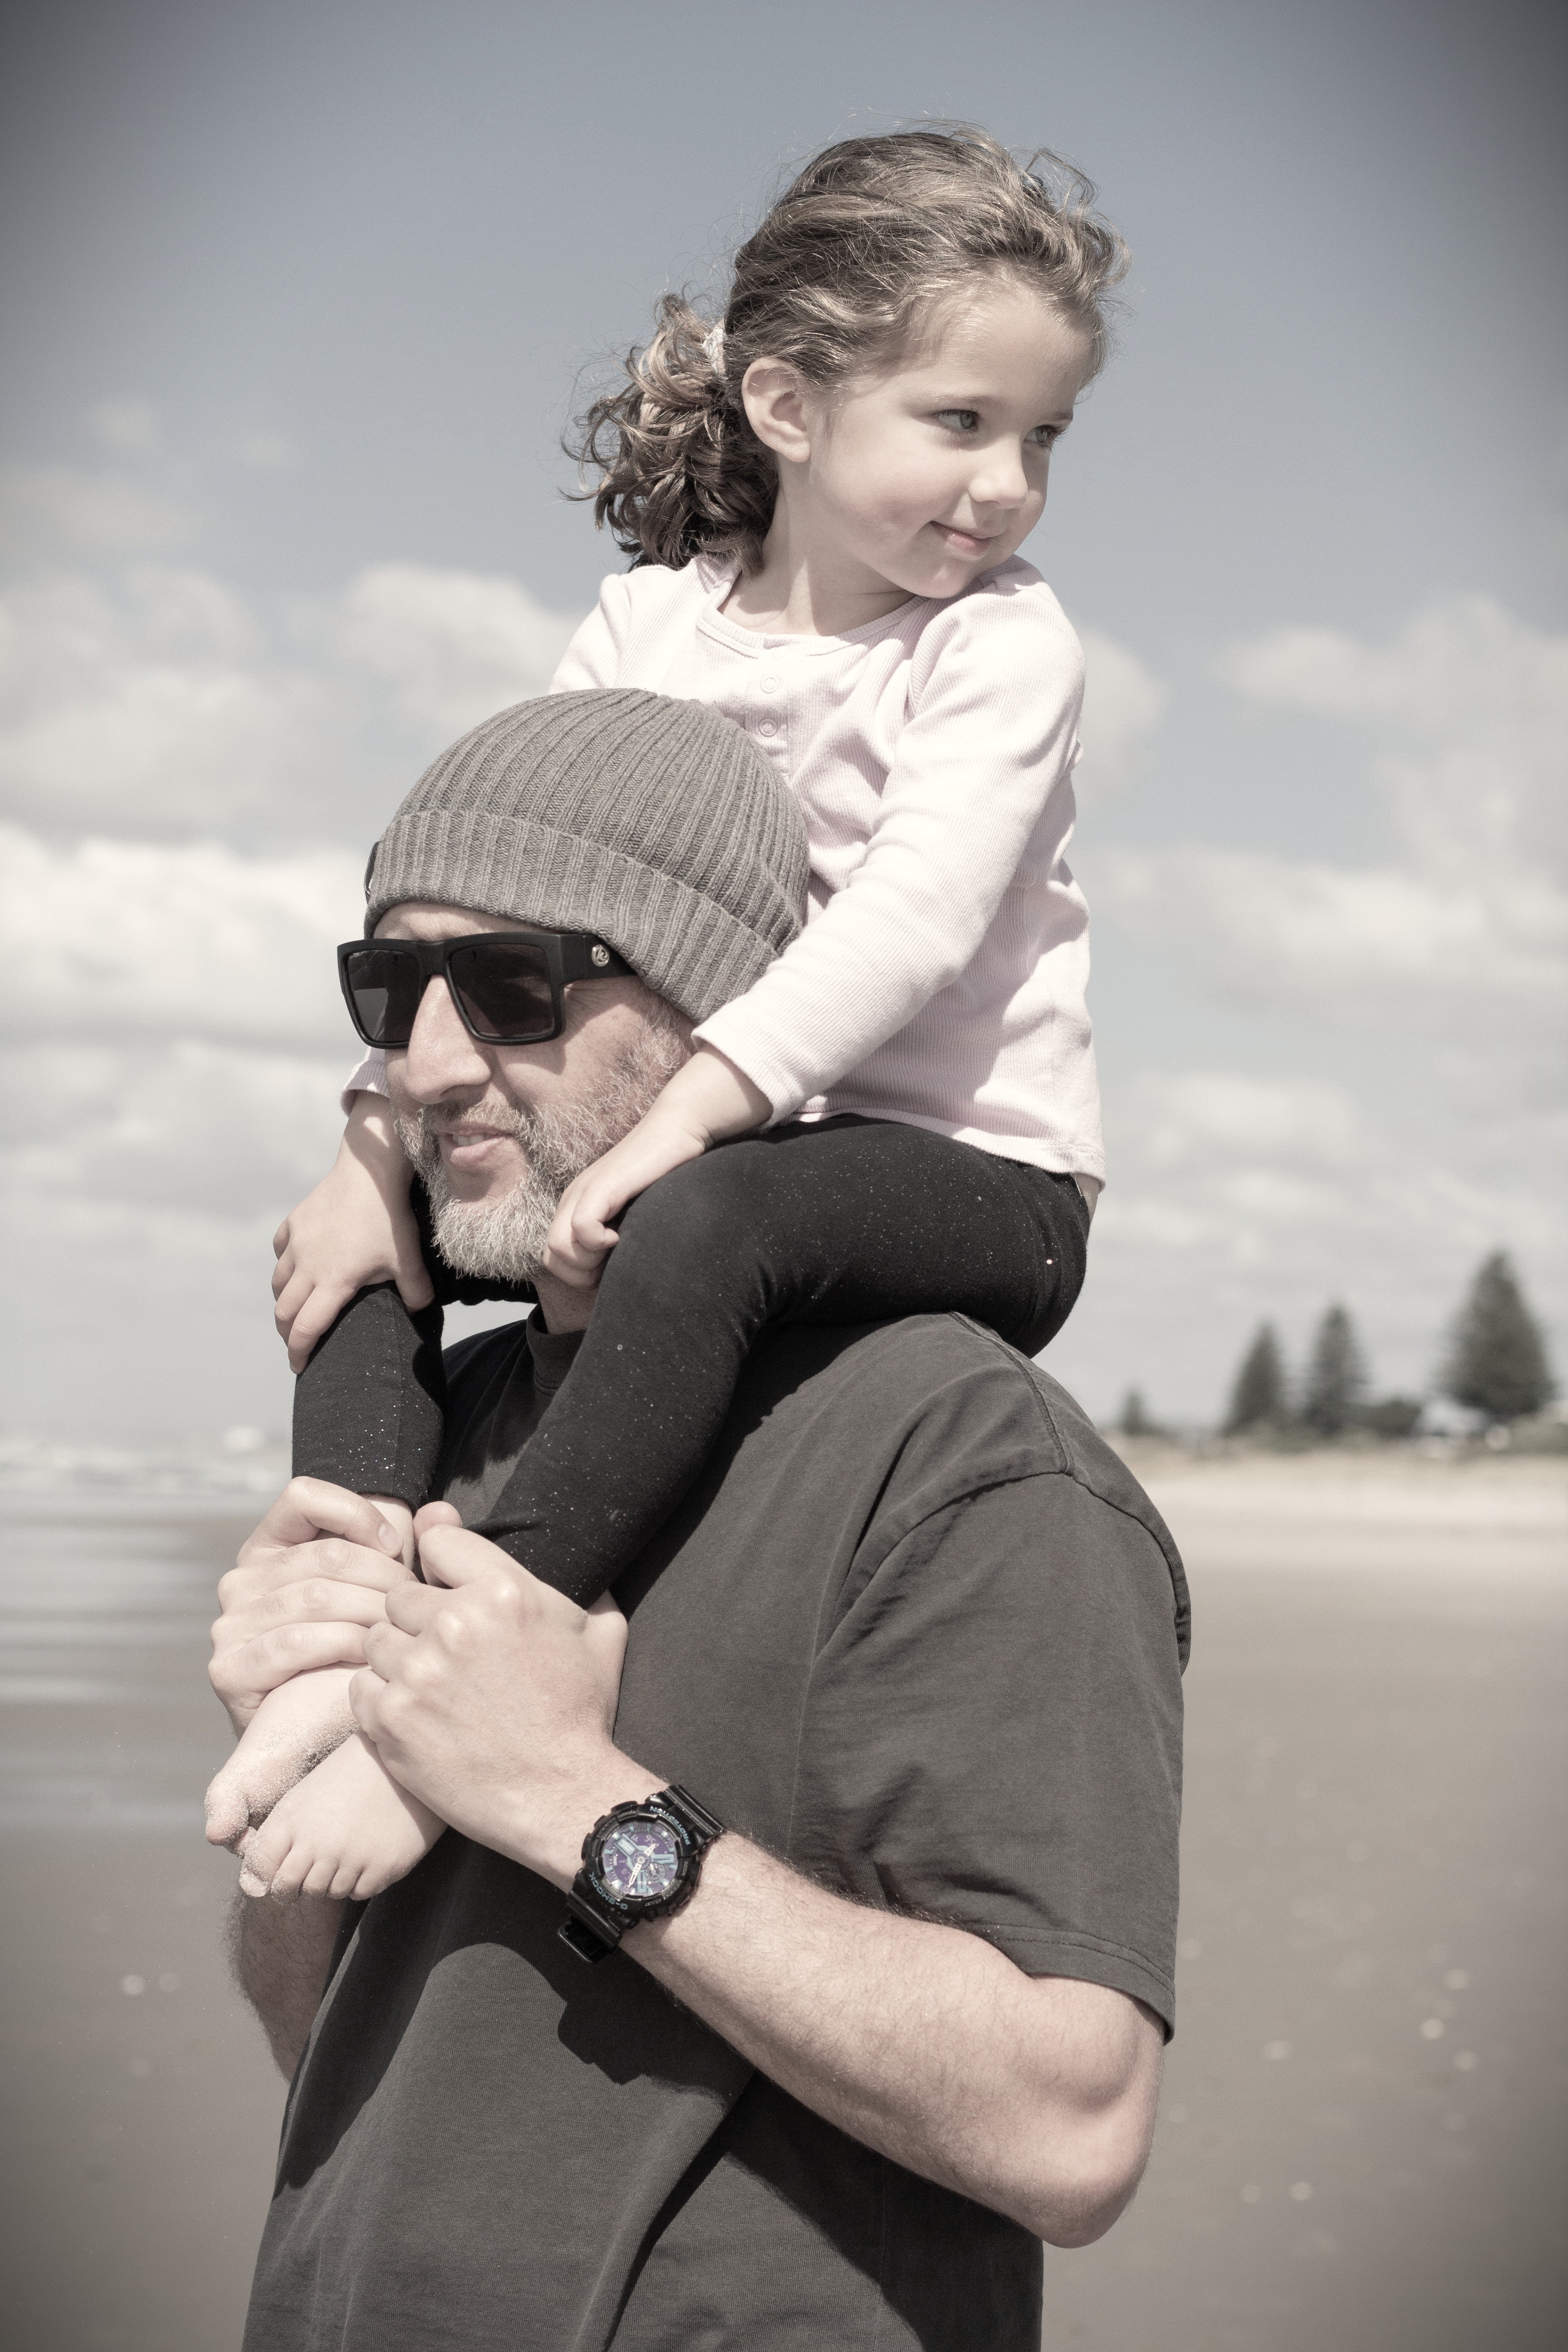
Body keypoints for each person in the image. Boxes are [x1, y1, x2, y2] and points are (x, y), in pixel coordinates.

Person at [219, 696, 1188, 2349]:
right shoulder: (446, 1424)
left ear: (726, 1015)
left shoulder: (957, 1453)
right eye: (392, 988)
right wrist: (289, 1757)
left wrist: (573, 1800)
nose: (429, 1062)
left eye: (513, 986)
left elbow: (1071, 2129)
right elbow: (321, 2035)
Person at [223, 131, 1122, 1904]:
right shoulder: (648, 623)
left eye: (1045, 437)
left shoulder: (999, 647)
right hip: (713, 1152)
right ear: (787, 404)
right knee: (360, 1246)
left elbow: (916, 920)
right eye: (961, 421)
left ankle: (487, 1651)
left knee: (714, 1222)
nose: (1008, 483)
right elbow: (501, 891)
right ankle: (349, 1621)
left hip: (967, 1172)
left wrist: (694, 1112)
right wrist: (371, 1143)